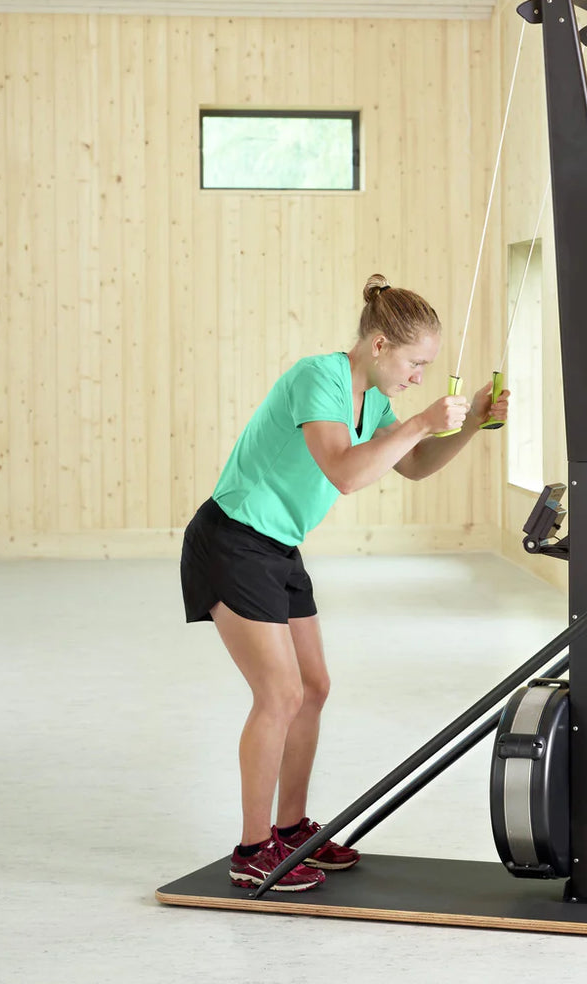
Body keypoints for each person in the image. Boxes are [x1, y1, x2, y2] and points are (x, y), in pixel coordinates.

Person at [180, 273, 510, 892]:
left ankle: (291, 829)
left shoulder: (376, 401)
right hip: (230, 540)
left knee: (313, 686)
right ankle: (253, 853)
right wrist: (420, 421)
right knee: (278, 695)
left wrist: (467, 427)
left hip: (277, 546)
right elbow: (344, 473)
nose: (420, 377)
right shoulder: (320, 377)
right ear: (380, 345)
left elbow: (411, 466)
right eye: (416, 362)